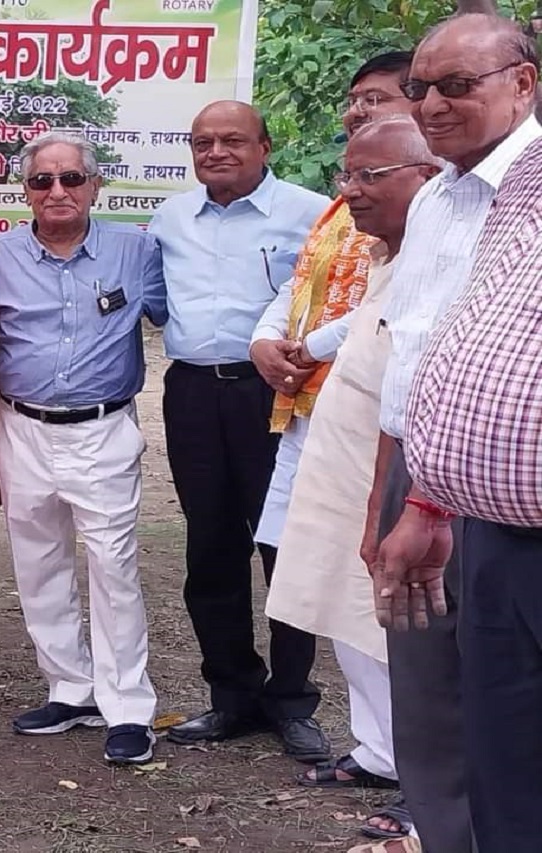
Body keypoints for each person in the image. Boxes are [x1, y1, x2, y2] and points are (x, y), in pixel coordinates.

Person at [364, 15, 539, 852]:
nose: (431, 104)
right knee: (440, 693)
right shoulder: (436, 196)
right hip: (437, 479)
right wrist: (409, 497)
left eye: (457, 86)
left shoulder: (526, 190)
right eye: (420, 87)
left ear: (523, 83)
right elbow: (415, 360)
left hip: (515, 497)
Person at [265, 117, 441, 852]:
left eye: (371, 176)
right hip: (338, 463)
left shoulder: (445, 259)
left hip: (398, 479)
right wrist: (291, 344)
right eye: (347, 175)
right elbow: (350, 325)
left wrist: (389, 500)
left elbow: (416, 393)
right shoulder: (378, 253)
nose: (351, 191)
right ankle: (379, 752)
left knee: (407, 629)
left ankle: (426, 788)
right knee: (349, 612)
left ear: (429, 178)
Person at [250, 51, 413, 809]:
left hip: (382, 430)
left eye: (375, 98)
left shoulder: (435, 205)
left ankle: (418, 761)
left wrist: (308, 346)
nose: (357, 111)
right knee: (335, 583)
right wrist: (266, 339)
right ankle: (378, 748)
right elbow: (300, 282)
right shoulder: (349, 199)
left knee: (385, 592)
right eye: (354, 100)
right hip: (313, 416)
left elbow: (394, 308)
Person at [0, 132, 164, 765]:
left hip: (103, 430)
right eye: (42, 181)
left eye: (71, 178)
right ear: (25, 191)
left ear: (95, 186)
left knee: (113, 566)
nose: (57, 191)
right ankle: (71, 689)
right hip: (20, 427)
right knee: (38, 562)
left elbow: (177, 318)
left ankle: (127, 706)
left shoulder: (137, 251)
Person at [148, 101, 331, 761]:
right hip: (194, 394)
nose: (216, 152)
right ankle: (231, 696)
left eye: (232, 140)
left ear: (264, 146)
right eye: (203, 142)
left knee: (284, 544)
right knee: (211, 545)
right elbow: (157, 302)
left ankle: (292, 699)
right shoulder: (170, 218)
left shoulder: (313, 214)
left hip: (276, 395)